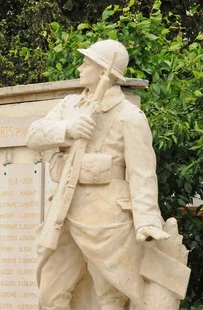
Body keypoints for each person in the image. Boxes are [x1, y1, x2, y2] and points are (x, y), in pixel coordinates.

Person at [25, 39, 169, 310]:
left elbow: (142, 174)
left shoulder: (130, 116)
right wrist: (68, 129)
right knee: (50, 291)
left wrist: (147, 220)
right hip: (65, 212)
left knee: (110, 296)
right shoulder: (70, 106)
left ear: (104, 72)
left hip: (107, 219)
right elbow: (33, 135)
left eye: (86, 63)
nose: (80, 68)